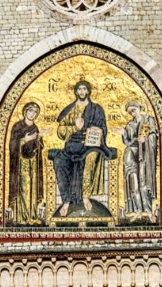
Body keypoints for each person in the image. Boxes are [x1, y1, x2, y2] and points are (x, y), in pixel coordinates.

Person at [48, 80, 116, 217]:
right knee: (60, 161)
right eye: (79, 89)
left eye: (84, 89)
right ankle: (66, 200)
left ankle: (85, 196)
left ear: (88, 91)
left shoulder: (96, 109)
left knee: (90, 158)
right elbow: (61, 132)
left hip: (90, 145)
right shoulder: (70, 109)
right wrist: (74, 127)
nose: (82, 92)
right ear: (76, 92)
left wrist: (98, 130)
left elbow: (103, 128)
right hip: (72, 145)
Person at [7, 102, 45, 224]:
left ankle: (33, 216)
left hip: (33, 161)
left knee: (33, 187)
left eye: (35, 112)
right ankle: (22, 217)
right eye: (30, 111)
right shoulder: (17, 126)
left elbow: (38, 146)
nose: (32, 114)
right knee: (23, 187)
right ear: (25, 112)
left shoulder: (35, 127)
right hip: (21, 162)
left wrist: (38, 139)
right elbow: (12, 144)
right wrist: (24, 139)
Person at [119, 101, 157, 222]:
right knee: (133, 182)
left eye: (134, 110)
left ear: (139, 108)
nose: (132, 113)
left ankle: (149, 211)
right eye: (130, 111)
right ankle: (138, 211)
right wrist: (123, 133)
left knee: (143, 181)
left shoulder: (148, 120)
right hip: (131, 153)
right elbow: (128, 142)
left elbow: (154, 135)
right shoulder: (129, 125)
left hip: (144, 154)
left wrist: (146, 138)